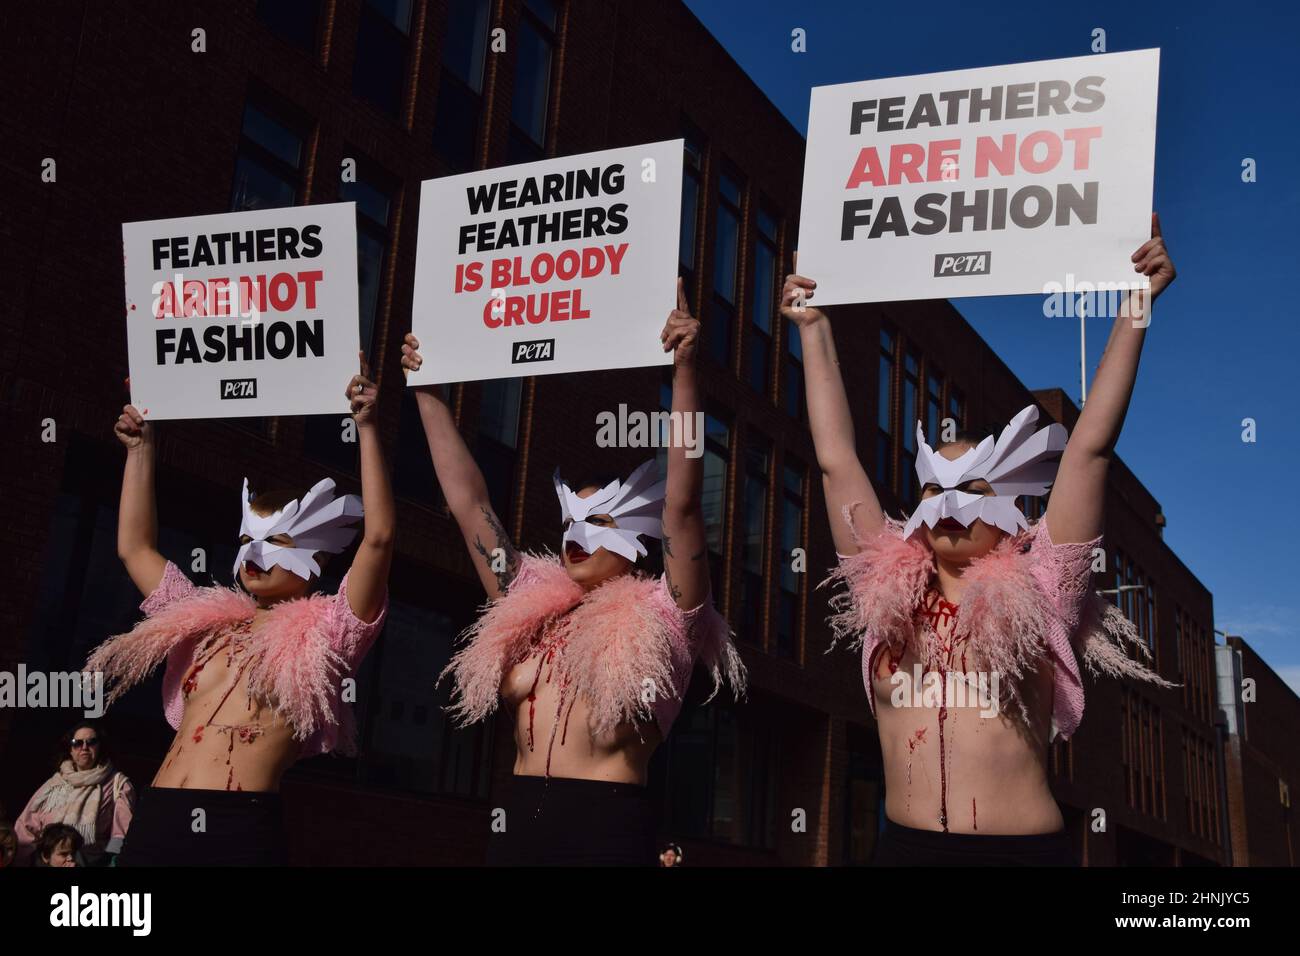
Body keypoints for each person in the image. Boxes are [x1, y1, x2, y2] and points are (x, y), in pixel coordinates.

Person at [786, 214, 1177, 865]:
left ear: (1009, 508)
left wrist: (1137, 305)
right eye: (932, 489)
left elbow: (1089, 450)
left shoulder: (1044, 587)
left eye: (971, 487)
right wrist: (814, 328)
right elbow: (836, 462)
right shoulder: (883, 590)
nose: (947, 505)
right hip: (903, 851)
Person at [402, 279, 746, 866]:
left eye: (600, 520)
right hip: (517, 825)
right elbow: (470, 506)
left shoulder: (667, 614)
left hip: (605, 830)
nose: (575, 537)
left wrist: (685, 371)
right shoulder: (530, 603)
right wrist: (427, 390)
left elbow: (683, 506)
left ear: (638, 538)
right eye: (569, 522)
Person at [83, 355, 394, 865]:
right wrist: (141, 449)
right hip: (158, 816)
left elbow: (378, 538)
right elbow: (134, 549)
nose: (254, 554)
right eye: (248, 539)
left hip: (238, 826)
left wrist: (367, 427)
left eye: (277, 542)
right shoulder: (202, 621)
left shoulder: (330, 632)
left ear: (317, 558)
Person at [13, 721, 134, 866]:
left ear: (100, 746)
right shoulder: (55, 783)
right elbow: (26, 827)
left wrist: (111, 863)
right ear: (70, 749)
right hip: (46, 860)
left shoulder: (117, 784)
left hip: (88, 861)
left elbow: (121, 835)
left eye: (91, 742)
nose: (84, 747)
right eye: (77, 743)